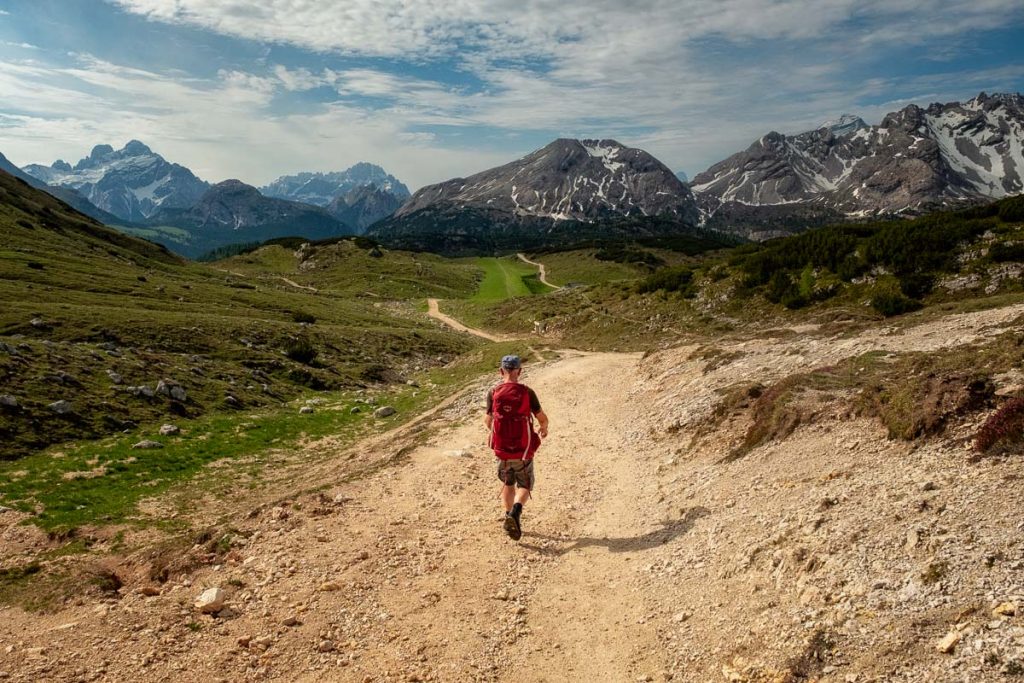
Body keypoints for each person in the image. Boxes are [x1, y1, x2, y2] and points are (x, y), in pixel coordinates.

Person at [484, 355, 549, 541]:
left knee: (508, 483)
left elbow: (488, 421)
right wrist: (543, 428)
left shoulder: (493, 392)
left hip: (502, 450)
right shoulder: (527, 393)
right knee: (525, 485)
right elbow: (541, 418)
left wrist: (499, 432)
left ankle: (508, 515)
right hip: (523, 449)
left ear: (501, 371)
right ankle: (516, 510)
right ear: (519, 371)